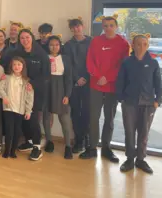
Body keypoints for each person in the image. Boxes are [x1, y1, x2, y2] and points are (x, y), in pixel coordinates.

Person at [79, 15, 130, 162]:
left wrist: (107, 78)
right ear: (102, 27)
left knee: (109, 119)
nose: (108, 28)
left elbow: (122, 65)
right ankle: (92, 148)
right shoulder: (96, 41)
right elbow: (90, 61)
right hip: (95, 85)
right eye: (105, 26)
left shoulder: (123, 43)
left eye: (111, 25)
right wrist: (98, 76)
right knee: (93, 118)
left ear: (116, 26)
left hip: (112, 87)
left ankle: (106, 148)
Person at [1, 28, 50, 161]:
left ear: (32, 38)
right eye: (22, 38)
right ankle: (28, 141)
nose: (25, 40)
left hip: (35, 91)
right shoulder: (16, 52)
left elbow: (46, 75)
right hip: (18, 91)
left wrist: (33, 84)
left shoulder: (41, 54)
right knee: (22, 118)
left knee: (33, 119)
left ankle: (36, 147)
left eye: (27, 37)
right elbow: (6, 66)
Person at [116, 34, 161, 174]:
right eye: (139, 44)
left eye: (145, 44)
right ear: (133, 45)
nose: (142, 46)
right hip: (129, 102)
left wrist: (157, 100)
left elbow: (158, 84)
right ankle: (130, 159)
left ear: (147, 46)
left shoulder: (153, 63)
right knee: (129, 132)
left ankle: (140, 159)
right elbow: (120, 82)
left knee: (144, 133)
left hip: (148, 104)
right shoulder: (127, 62)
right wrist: (121, 98)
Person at [63, 17, 92, 153]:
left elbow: (94, 61)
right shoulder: (68, 45)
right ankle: (78, 140)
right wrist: (76, 78)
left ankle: (86, 138)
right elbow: (67, 65)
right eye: (73, 27)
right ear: (71, 29)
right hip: (73, 83)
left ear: (83, 26)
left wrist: (85, 77)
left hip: (89, 83)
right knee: (75, 112)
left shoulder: (91, 42)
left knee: (87, 111)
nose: (76, 29)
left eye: (78, 26)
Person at [43, 36, 74, 159]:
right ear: (48, 46)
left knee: (65, 119)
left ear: (60, 46)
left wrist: (67, 94)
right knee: (46, 117)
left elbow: (69, 79)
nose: (54, 47)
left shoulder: (65, 59)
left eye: (56, 44)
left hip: (61, 89)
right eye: (51, 44)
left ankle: (68, 146)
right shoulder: (44, 58)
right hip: (47, 89)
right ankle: (49, 141)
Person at [0, 56, 34, 159]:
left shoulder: (26, 81)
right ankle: (7, 151)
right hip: (8, 108)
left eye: (19, 65)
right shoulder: (7, 77)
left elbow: (30, 97)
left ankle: (13, 151)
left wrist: (28, 111)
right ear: (11, 66)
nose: (16, 67)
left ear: (23, 66)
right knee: (9, 130)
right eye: (14, 64)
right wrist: (4, 97)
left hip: (20, 110)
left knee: (17, 131)